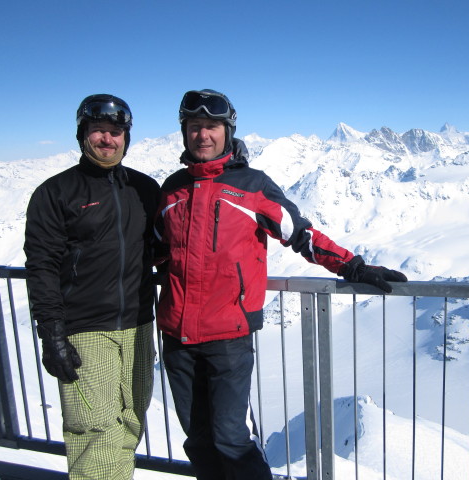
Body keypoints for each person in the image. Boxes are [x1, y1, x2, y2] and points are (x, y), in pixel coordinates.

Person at [154, 89, 407, 480]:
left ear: (228, 131)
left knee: (231, 439)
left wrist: (353, 268)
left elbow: (301, 235)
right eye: (195, 126)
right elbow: (153, 250)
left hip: (227, 337)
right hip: (177, 338)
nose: (203, 135)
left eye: (212, 127)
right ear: (184, 131)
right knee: (197, 440)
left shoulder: (253, 185)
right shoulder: (171, 189)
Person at [24, 94, 160, 480]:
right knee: (95, 432)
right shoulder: (57, 192)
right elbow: (42, 266)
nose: (107, 139)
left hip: (137, 326)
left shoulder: (144, 189)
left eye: (115, 132)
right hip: (85, 331)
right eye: (98, 130)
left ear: (126, 138)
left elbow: (166, 248)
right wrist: (52, 333)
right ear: (83, 134)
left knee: (131, 422)